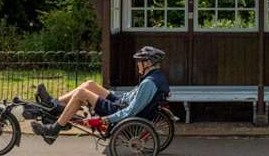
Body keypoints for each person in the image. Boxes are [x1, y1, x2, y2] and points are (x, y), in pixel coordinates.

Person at [31, 46, 169, 143]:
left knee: (81, 93)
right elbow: (132, 99)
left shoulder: (149, 83)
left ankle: (53, 130)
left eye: (140, 61)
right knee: (89, 84)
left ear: (148, 63)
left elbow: (131, 111)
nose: (138, 64)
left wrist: (108, 119)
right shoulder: (155, 77)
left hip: (120, 111)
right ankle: (52, 104)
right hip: (121, 102)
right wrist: (108, 94)